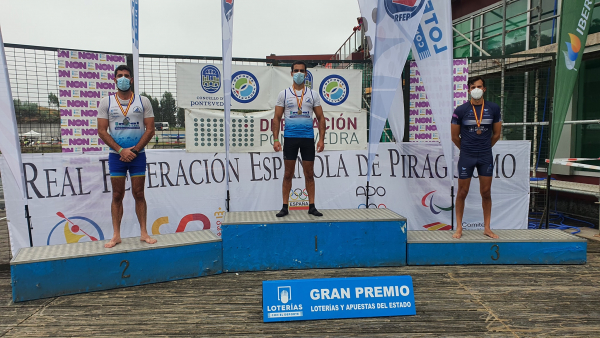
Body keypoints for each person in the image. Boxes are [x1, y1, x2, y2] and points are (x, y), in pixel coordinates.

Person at [97, 65, 157, 248]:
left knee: (139, 193)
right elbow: (101, 131)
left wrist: (135, 151)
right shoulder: (106, 102)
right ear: (115, 79)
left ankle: (144, 233)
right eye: (120, 76)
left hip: (138, 155)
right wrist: (120, 150)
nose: (123, 78)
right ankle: (116, 235)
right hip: (117, 156)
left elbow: (150, 129)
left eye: (126, 76)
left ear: (131, 80)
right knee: (117, 195)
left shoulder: (143, 101)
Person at [272, 61, 326, 217]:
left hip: (307, 138)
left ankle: (312, 206)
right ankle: (284, 207)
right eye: (296, 70)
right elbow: (276, 118)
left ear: (306, 74)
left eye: (302, 71)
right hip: (290, 138)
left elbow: (321, 118)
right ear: (291, 73)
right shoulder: (284, 94)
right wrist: (276, 140)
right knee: (288, 174)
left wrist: (321, 139)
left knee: (309, 174)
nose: (299, 73)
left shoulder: (312, 94)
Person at [451, 76, 502, 239]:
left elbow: (497, 134)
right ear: (468, 90)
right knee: (462, 192)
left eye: (479, 87)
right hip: (467, 155)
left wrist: (484, 148)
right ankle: (459, 228)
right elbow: (454, 137)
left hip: (485, 156)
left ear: (484, 89)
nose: (476, 90)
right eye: (473, 87)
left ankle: (487, 228)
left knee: (486, 192)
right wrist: (467, 149)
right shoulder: (460, 110)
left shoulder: (494, 108)